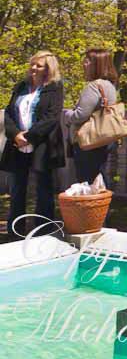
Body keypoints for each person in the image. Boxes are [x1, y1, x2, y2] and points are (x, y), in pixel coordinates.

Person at [1, 51, 65, 239]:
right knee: (17, 189)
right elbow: (8, 113)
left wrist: (29, 136)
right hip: (17, 145)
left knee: (43, 189)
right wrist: (16, 135)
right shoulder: (21, 86)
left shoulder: (54, 88)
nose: (34, 68)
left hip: (42, 145)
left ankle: (43, 233)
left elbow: (52, 117)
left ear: (48, 69)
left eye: (39, 65)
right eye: (33, 64)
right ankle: (15, 233)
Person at [62, 48, 119, 187]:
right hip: (103, 139)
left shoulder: (94, 86)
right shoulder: (109, 85)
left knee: (87, 181)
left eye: (88, 61)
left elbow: (80, 115)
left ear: (97, 64)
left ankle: (91, 201)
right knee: (98, 179)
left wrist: (66, 114)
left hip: (89, 141)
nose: (84, 64)